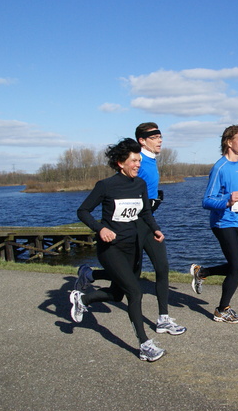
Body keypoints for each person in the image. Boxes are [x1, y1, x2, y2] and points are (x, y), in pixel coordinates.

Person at [75, 123, 186, 336]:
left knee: (161, 268)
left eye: (161, 135)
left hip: (147, 222)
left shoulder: (151, 161)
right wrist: (103, 227)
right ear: (142, 141)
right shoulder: (139, 161)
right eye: (154, 136)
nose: (160, 140)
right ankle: (92, 277)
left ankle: (163, 319)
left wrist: (154, 220)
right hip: (133, 227)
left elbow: (143, 200)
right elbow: (120, 187)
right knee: (131, 283)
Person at [70, 138, 165, 362]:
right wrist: (100, 228)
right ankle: (144, 345)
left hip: (132, 247)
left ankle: (82, 300)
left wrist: (156, 230)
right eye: (133, 161)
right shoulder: (106, 186)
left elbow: (144, 214)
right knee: (135, 292)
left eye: (139, 161)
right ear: (121, 163)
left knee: (117, 293)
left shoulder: (139, 185)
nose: (137, 165)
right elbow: (83, 211)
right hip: (110, 248)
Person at [190, 124, 238, 323]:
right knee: (236, 267)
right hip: (221, 223)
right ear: (229, 142)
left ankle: (203, 272)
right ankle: (221, 310)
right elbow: (206, 201)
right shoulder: (220, 168)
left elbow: (237, 198)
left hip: (235, 221)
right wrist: (227, 200)